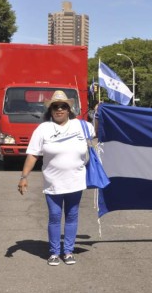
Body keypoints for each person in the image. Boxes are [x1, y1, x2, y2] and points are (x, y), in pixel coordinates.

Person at [18, 91, 95, 266]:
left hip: (76, 181)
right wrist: (24, 177)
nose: (59, 109)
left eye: (63, 106)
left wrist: (101, 110)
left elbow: (101, 130)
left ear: (69, 109)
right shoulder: (43, 129)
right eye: (55, 107)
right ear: (50, 110)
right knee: (54, 215)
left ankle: (68, 251)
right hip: (52, 181)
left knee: (72, 215)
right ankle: (54, 252)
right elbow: (32, 155)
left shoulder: (83, 126)